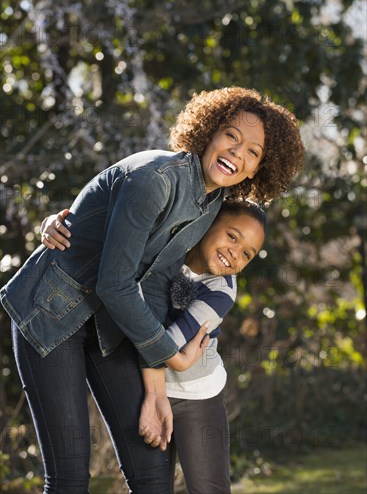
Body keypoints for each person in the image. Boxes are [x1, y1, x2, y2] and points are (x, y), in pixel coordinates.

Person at [1, 87, 304, 493]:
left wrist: (157, 392)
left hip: (110, 326)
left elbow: (157, 284)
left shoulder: (210, 204)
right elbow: (115, 282)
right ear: (210, 131)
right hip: (52, 314)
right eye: (232, 136)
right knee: (70, 477)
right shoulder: (156, 179)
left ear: (257, 171)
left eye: (253, 152)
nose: (238, 152)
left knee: (152, 475)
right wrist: (171, 357)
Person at [44, 199, 266, 493]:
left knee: (209, 488)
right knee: (150, 485)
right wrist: (54, 223)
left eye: (246, 254)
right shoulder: (166, 246)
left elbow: (168, 342)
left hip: (197, 396)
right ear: (209, 222)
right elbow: (117, 240)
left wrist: (176, 358)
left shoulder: (221, 292)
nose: (234, 253)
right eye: (232, 236)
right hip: (142, 387)